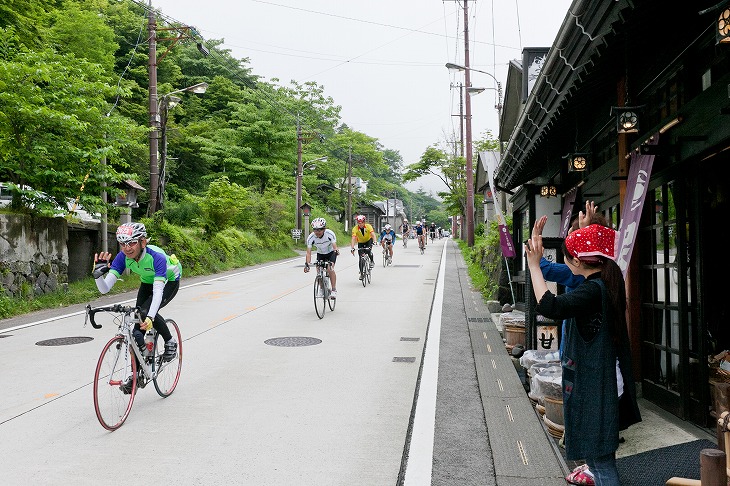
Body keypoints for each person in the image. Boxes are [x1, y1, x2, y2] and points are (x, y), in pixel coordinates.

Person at [525, 221, 641, 486]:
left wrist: (534, 265)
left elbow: (550, 306)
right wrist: (586, 233)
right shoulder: (607, 280)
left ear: (576, 261)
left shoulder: (592, 290)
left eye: (568, 257)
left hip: (597, 387)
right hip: (604, 381)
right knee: (600, 460)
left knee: (601, 464)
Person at [93, 222, 182, 393]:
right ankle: (136, 374)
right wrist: (98, 274)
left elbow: (157, 293)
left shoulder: (157, 257)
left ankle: (170, 341)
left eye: (132, 243)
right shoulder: (122, 257)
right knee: (135, 333)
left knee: (145, 313)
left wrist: (150, 317)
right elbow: (104, 289)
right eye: (123, 243)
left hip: (169, 281)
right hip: (147, 282)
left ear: (143, 242)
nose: (127, 248)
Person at [303, 217, 339, 298]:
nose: (317, 232)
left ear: (324, 229)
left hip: (331, 253)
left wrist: (336, 251)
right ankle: (322, 289)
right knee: (318, 271)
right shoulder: (311, 238)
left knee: (330, 269)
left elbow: (334, 247)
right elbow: (308, 253)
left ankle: (333, 289)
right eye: (315, 230)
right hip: (320, 254)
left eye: (319, 230)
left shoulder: (330, 234)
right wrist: (307, 264)